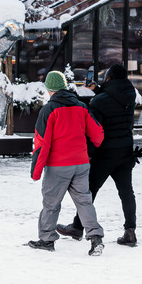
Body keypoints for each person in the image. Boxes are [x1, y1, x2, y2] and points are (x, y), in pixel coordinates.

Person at [57, 62, 142, 247]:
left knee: (88, 190)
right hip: (126, 152)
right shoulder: (130, 95)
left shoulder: (99, 101)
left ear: (109, 78)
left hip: (104, 153)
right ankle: (130, 232)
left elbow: (93, 130)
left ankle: (78, 227)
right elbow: (113, 98)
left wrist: (87, 153)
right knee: (127, 192)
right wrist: (97, 89)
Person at [28, 71, 105, 255]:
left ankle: (46, 239)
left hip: (58, 166)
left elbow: (42, 143)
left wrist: (36, 171)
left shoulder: (49, 110)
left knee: (51, 204)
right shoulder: (81, 106)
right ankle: (96, 238)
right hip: (81, 163)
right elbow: (98, 135)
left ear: (49, 89)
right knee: (84, 202)